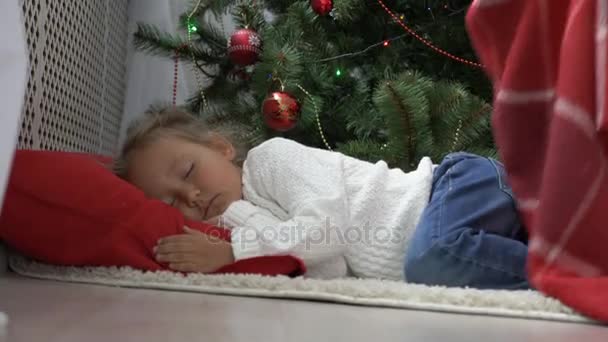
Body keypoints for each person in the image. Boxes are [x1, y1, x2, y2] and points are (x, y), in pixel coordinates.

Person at [113, 107, 529, 289]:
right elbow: (328, 266)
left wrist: (234, 251)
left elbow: (324, 230)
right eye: (172, 203)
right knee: (439, 260)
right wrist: (237, 216)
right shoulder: (245, 218)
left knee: (433, 257)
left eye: (188, 172)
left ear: (221, 147)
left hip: (452, 188)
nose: (192, 195)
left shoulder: (270, 160)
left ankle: (575, 276)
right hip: (464, 229)